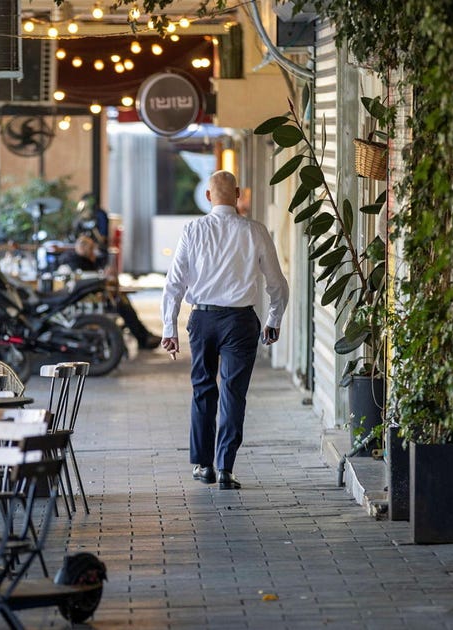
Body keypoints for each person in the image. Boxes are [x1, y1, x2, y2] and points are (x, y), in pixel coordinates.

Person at [161, 171, 289, 489]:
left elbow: (174, 282)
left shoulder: (192, 230)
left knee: (203, 390)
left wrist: (169, 327)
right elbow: (278, 284)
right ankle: (224, 469)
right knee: (233, 394)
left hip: (202, 321)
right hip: (240, 322)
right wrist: (274, 320)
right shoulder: (255, 231)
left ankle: (203, 465)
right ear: (237, 194)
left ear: (208, 197)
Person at [60, 235, 163, 350]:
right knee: (122, 305)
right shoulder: (73, 262)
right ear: (84, 249)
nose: (94, 252)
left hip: (92, 299)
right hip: (87, 303)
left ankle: (144, 336)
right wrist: (103, 275)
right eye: (91, 249)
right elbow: (89, 279)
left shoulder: (84, 260)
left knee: (123, 301)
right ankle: (143, 337)